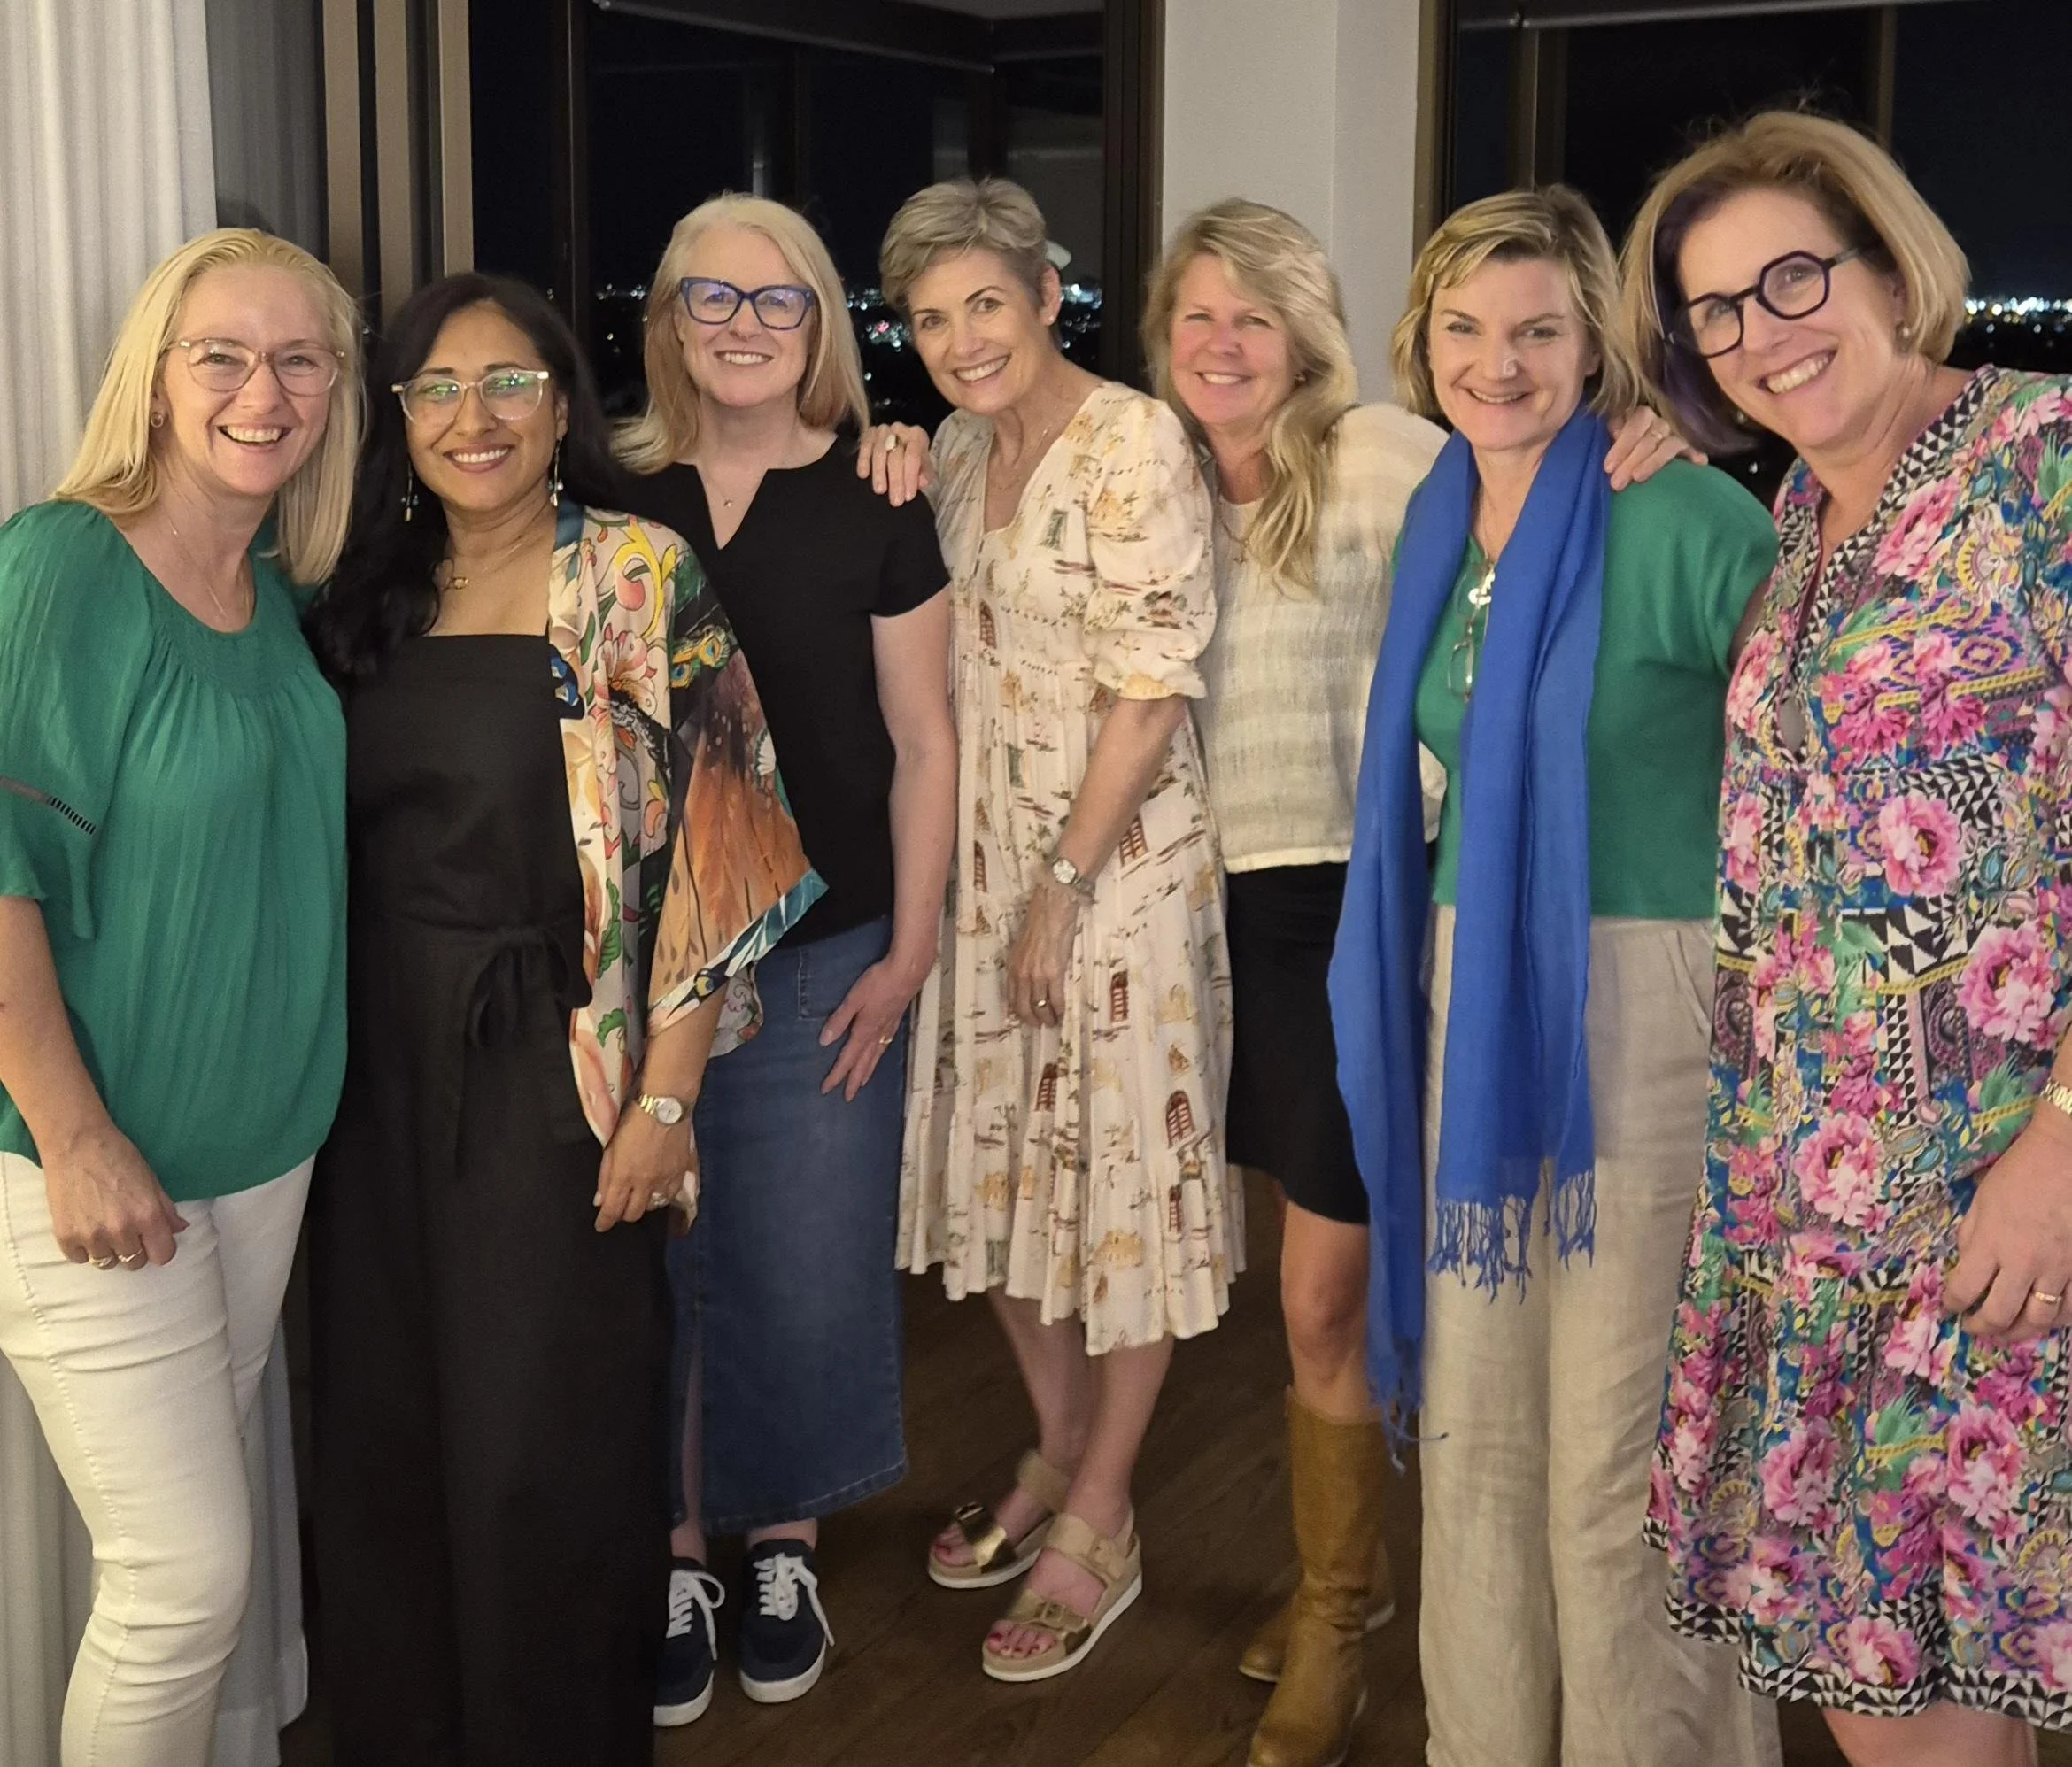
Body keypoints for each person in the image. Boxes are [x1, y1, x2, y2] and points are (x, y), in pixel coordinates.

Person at [1138, 197, 1695, 1767]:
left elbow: (1533, 524)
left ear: (1313, 330)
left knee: (1325, 1293)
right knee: (1293, 1284)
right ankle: (1361, 1582)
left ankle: (1336, 1617)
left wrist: (1654, 429)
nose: (1224, 345)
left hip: (1366, 906)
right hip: (1211, 914)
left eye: (1256, 315)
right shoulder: (1154, 475)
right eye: (1197, 317)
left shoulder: (1391, 460)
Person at [303, 272, 820, 1766]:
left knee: (549, 1441)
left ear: (559, 408)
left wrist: (666, 1102)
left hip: (558, 1065)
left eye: (509, 384)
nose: (474, 418)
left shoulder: (636, 575)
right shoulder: (357, 588)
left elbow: (723, 848)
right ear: (398, 417)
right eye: (437, 389)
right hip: (367, 1077)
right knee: (387, 1435)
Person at [1625, 111, 2072, 1767]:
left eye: (1793, 278)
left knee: (1932, 1712)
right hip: (1809, 1216)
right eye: (1717, 312)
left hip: (1997, 1196)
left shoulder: (2043, 461)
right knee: (1883, 1689)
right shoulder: (1802, 520)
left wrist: (2063, 1141)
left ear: (1891, 267)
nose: (1762, 332)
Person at [1330, 187, 1783, 1767]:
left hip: (1648, 1003)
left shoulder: (1690, 518)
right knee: (1480, 1435)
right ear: (1424, 341)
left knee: (1614, 1456)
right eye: (1465, 328)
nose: (1499, 363)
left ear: (1598, 343)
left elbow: (1824, 767)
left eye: (1537, 330)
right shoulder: (1439, 516)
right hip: (1476, 994)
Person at [0, 227, 360, 1767]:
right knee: (183, 1582)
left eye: (298, 360)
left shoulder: (275, 587)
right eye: (222, 355)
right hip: (96, 1161)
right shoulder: (66, 561)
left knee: (189, 1575)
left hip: (260, 1158)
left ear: (335, 391)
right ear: (156, 376)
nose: (260, 393)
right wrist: (74, 1133)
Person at [879, 176, 1234, 1683]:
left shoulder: (1136, 438)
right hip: (983, 864)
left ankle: (1103, 1510)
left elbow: (1155, 684)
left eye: (986, 304)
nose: (962, 340)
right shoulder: (956, 451)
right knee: (1004, 1172)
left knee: (1119, 1190)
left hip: (1114, 874)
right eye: (930, 319)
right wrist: (891, 447)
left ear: (1044, 295)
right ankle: (1059, 1444)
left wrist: (1065, 888)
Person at [617, 194, 955, 1719]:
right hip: (647, 964)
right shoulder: (612, 491)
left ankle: (784, 1546)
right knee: (658, 1267)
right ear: (668, 319)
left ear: (820, 325)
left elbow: (924, 743)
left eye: (778, 301)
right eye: (713, 297)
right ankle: (675, 1549)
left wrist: (914, 946)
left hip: (831, 946)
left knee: (804, 1262)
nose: (744, 325)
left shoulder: (882, 495)